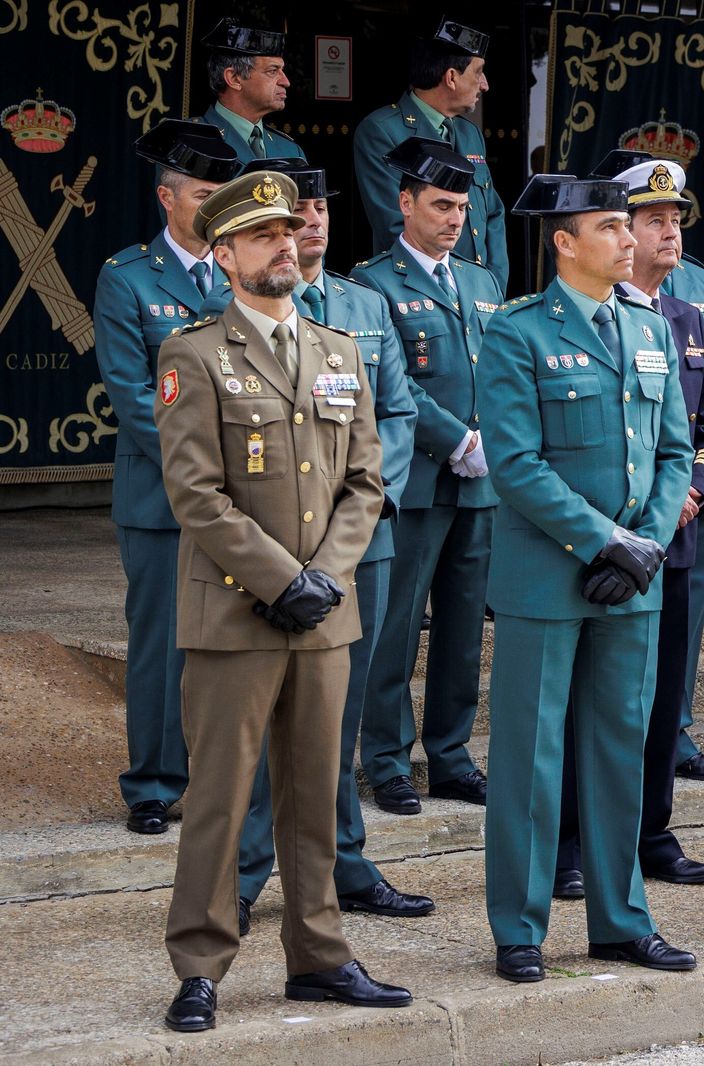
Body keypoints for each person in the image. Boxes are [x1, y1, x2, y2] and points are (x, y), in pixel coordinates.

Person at [155, 169, 407, 1032]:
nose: (283, 246)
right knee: (221, 800)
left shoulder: (340, 349)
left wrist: (325, 579)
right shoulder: (192, 352)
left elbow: (365, 482)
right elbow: (195, 494)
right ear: (223, 254)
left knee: (317, 792)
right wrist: (281, 581)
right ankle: (198, 963)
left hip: (324, 615)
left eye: (288, 232)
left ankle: (320, 956)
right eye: (260, 237)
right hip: (235, 616)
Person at [478, 173, 697, 982]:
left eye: (627, 226)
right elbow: (516, 465)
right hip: (548, 578)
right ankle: (520, 927)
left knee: (619, 754)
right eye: (612, 227)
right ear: (566, 242)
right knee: (532, 758)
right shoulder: (517, 333)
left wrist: (640, 545)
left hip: (632, 578)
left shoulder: (650, 330)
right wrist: (606, 541)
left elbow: (674, 450)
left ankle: (620, 919)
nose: (630, 239)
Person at [232, 158, 432, 932]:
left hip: (358, 547)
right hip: (268, 552)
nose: (309, 223)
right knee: (257, 718)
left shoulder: (362, 305)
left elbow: (399, 417)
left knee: (338, 718)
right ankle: (246, 874)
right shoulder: (234, 316)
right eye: (291, 214)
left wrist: (367, 507)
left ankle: (345, 862)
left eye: (316, 208)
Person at [94, 121, 240, 836]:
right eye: (206, 194)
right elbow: (133, 394)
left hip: (245, 495)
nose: (217, 206)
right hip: (163, 497)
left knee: (230, 640)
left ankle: (220, 775)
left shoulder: (243, 271)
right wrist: (209, 473)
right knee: (161, 641)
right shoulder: (127, 277)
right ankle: (151, 782)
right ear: (168, 197)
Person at [353, 138, 505, 817]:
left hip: (478, 482)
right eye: (441, 205)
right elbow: (391, 389)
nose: (454, 219)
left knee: (463, 629)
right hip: (414, 478)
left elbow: (500, 374)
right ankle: (386, 761)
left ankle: (450, 756)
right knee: (394, 625)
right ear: (404, 202)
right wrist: (456, 439)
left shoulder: (482, 282)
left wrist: (490, 442)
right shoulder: (373, 284)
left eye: (462, 208)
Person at [590, 147, 704, 784]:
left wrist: (692, 491)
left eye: (675, 217)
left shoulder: (683, 315)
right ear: (619, 230)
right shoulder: (592, 311)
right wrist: (660, 498)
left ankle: (654, 830)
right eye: (653, 218)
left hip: (678, 529)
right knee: (603, 701)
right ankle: (581, 844)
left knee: (667, 679)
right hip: (614, 533)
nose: (671, 229)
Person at [354, 18, 507, 290]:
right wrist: (445, 286)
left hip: (477, 292)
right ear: (450, 77)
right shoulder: (382, 130)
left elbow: (493, 214)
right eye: (478, 72)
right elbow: (393, 222)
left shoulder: (470, 133)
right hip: (413, 289)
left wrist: (491, 284)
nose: (484, 85)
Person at [197, 19, 303, 162]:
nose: (286, 82)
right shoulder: (192, 141)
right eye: (272, 71)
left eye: (282, 70)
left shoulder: (291, 151)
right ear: (234, 78)